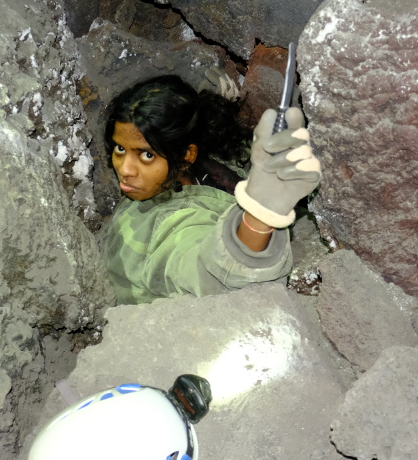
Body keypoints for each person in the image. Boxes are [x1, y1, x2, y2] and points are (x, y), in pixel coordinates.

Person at [100, 73, 321, 304]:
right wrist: (261, 212)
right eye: (120, 149)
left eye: (146, 155)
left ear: (187, 156)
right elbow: (210, 272)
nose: (125, 170)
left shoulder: (211, 165)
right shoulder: (164, 228)